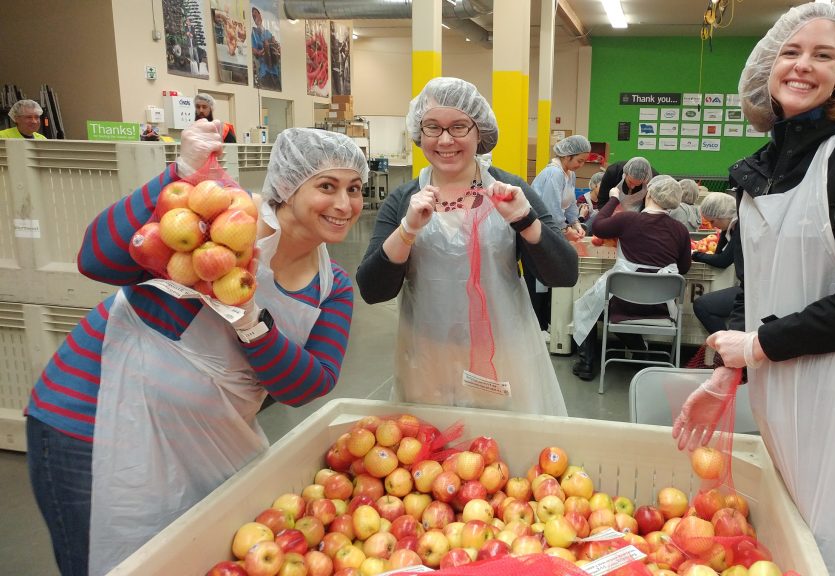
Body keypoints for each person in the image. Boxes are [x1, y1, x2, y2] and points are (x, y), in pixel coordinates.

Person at [25, 121, 366, 575]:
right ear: (288, 185)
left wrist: (253, 325)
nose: (345, 204)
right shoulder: (216, 224)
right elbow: (95, 260)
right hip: (95, 418)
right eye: (327, 186)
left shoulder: (331, 286)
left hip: (208, 441)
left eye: (355, 189)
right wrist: (179, 174)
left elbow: (306, 383)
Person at [671, 5, 835, 576]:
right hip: (781, 386)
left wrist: (759, 347)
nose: (803, 66)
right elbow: (757, 285)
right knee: (780, 539)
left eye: (823, 55)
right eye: (791, 51)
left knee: (831, 549)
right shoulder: (759, 170)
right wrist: (726, 370)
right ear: (768, 67)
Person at [356, 77, 575, 416]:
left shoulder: (511, 191)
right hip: (426, 357)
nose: (445, 140)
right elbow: (373, 290)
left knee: (501, 460)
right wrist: (407, 230)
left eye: (459, 126)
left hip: (501, 353)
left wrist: (525, 221)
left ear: (479, 132)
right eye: (433, 127)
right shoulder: (403, 201)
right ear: (419, 132)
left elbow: (564, 272)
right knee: (431, 457)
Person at [571, 175, 693, 381]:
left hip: (622, 302)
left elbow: (597, 227)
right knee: (608, 306)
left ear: (649, 193)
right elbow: (684, 267)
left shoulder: (627, 220)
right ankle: (640, 352)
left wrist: (614, 199)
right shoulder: (680, 230)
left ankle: (587, 363)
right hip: (660, 307)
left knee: (589, 307)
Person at [526, 134, 590, 331]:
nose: (581, 165)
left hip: (553, 231)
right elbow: (551, 209)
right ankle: (538, 326)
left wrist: (576, 223)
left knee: (550, 278)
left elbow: (569, 204)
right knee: (539, 282)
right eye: (579, 160)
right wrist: (565, 231)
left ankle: (547, 323)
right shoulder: (553, 173)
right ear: (567, 156)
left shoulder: (569, 174)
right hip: (538, 232)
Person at [690, 192, 739, 335]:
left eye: (713, 221)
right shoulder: (731, 228)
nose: (713, 226)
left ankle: (726, 347)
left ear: (723, 215)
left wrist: (697, 255)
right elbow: (718, 254)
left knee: (702, 305)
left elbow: (723, 261)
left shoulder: (741, 229)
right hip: (748, 286)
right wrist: (724, 232)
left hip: (753, 290)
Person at [251, 6, 282, 91]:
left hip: (275, 72)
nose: (255, 17)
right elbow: (253, 49)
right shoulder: (254, 33)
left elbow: (276, 46)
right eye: (253, 17)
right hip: (264, 73)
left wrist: (278, 48)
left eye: (256, 14)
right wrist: (259, 52)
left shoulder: (268, 33)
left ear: (260, 15)